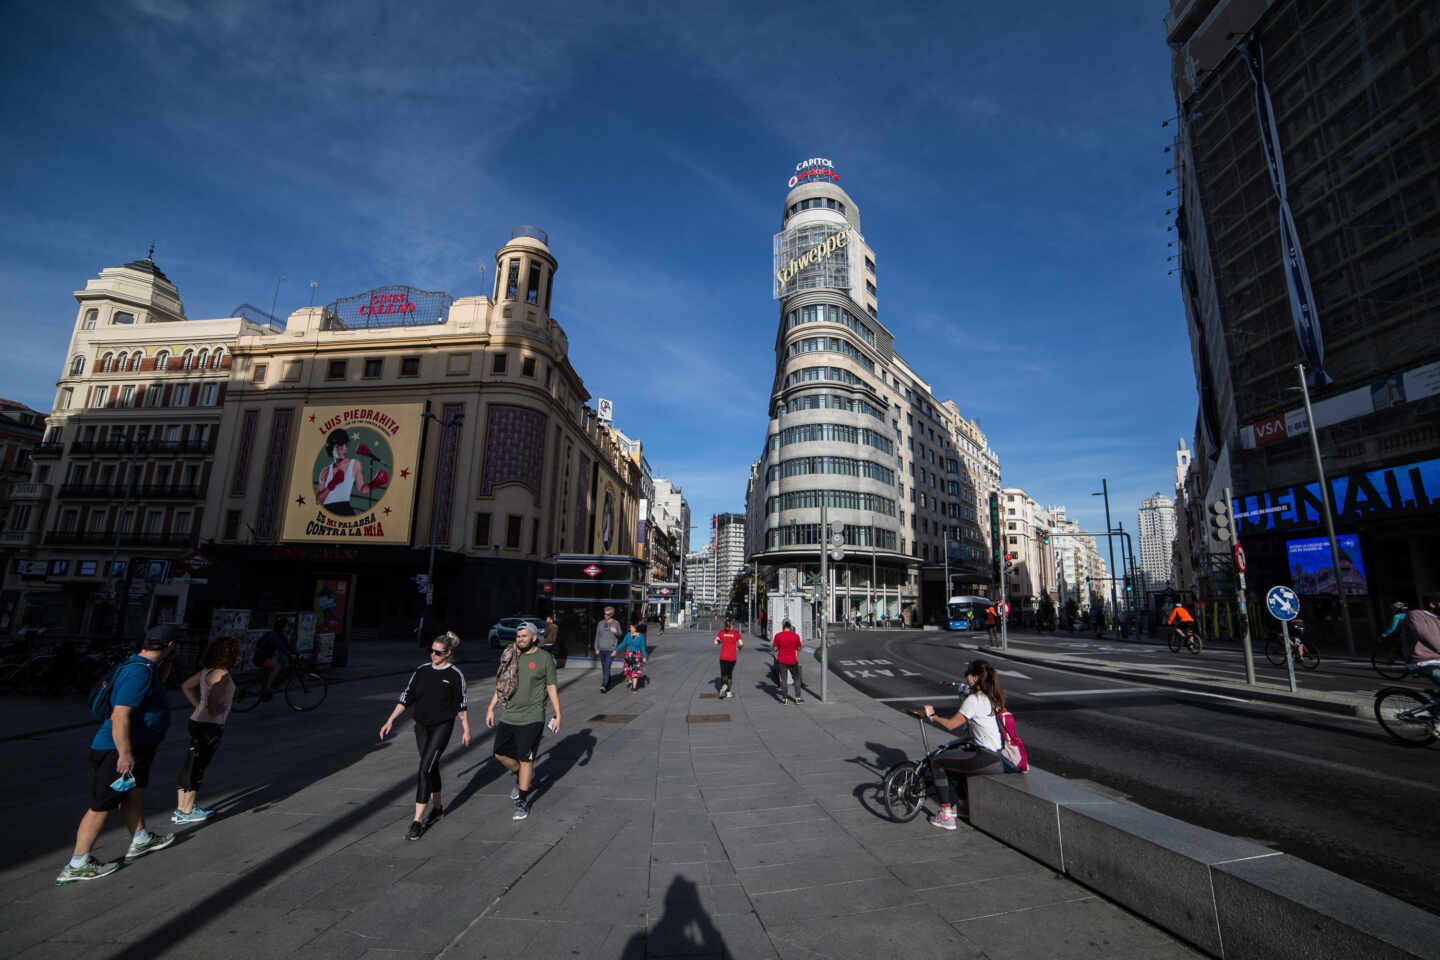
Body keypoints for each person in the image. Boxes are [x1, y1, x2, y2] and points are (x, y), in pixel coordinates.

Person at [57, 625, 180, 885]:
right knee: (102, 806)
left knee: (133, 793)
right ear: (170, 647)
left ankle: (140, 839)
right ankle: (77, 863)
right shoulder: (138, 673)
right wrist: (124, 754)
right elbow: (120, 715)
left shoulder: (147, 668)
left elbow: (152, 696)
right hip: (117, 750)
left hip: (138, 747)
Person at [379, 631, 470, 840]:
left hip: (442, 726)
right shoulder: (421, 671)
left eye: (438, 653)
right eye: (431, 651)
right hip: (421, 726)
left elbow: (461, 704)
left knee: (423, 769)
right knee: (431, 767)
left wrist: (466, 728)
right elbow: (406, 696)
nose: (433, 655)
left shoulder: (455, 675)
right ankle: (437, 808)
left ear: (448, 653)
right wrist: (390, 720)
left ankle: (417, 821)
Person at [916, 660, 1009, 831]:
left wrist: (932, 715)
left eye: (968, 676)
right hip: (999, 756)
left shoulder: (974, 700)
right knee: (958, 759)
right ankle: (964, 807)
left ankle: (946, 815)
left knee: (937, 761)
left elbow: (951, 725)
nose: (966, 680)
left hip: (988, 757)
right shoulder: (992, 697)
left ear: (974, 678)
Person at [486, 624, 560, 821]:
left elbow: (551, 687)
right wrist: (491, 707)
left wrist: (558, 714)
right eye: (518, 636)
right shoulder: (511, 655)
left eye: (524, 636)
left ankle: (523, 800)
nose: (520, 639)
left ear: (535, 638)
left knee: (526, 758)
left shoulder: (544, 659)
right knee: (499, 754)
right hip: (510, 714)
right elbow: (501, 684)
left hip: (533, 716)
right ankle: (521, 775)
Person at [173, 636, 242, 825]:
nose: (240, 657)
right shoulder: (223, 675)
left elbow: (186, 686)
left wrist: (198, 705)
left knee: (190, 763)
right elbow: (215, 702)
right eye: (237, 653)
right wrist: (215, 709)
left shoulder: (206, 671)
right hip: (210, 726)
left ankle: (182, 807)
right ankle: (186, 811)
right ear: (229, 655)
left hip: (197, 721)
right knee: (198, 766)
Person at [316, 428, 383, 516]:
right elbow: (318, 500)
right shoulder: (325, 471)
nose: (344, 449)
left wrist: (375, 483)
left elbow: (362, 489)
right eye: (340, 446)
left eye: (346, 446)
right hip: (327, 512)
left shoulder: (354, 464)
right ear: (331, 448)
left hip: (345, 508)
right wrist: (332, 484)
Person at [253, 617, 296, 700]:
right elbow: (281, 647)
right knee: (277, 667)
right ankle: (268, 688)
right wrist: (290, 655)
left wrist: (297, 654)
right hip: (260, 658)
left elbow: (288, 646)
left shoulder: (281, 636)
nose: (288, 628)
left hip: (266, 658)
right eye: (287, 626)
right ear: (282, 627)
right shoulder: (273, 636)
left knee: (277, 668)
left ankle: (265, 692)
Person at [771, 619, 803, 703]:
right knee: (796, 679)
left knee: (784, 680)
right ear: (790, 627)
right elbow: (799, 648)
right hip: (793, 660)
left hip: (782, 661)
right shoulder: (795, 636)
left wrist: (779, 648)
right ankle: (798, 698)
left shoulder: (778, 636)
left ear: (783, 627)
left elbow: (774, 649)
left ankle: (785, 698)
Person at [593, 606, 622, 693]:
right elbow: (597, 636)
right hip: (601, 649)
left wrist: (615, 631)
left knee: (607, 666)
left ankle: (604, 685)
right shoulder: (600, 623)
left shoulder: (616, 623)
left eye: (608, 614)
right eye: (605, 614)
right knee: (604, 668)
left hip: (610, 649)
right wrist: (596, 647)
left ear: (612, 615)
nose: (605, 616)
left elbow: (620, 634)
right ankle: (608, 682)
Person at [714, 618, 742, 699]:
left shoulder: (721, 633)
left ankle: (724, 684)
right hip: (732, 657)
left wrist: (721, 641)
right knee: (729, 674)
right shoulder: (735, 633)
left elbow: (715, 642)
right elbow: (741, 644)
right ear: (731, 625)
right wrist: (738, 648)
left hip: (723, 657)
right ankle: (728, 691)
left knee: (723, 674)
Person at [616, 622, 648, 692]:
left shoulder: (640, 636)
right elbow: (623, 644)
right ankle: (629, 679)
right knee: (627, 671)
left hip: (636, 655)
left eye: (631, 627)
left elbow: (642, 647)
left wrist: (644, 657)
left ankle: (634, 687)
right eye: (630, 627)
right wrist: (616, 650)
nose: (630, 628)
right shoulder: (628, 635)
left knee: (635, 671)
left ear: (635, 628)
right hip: (628, 655)